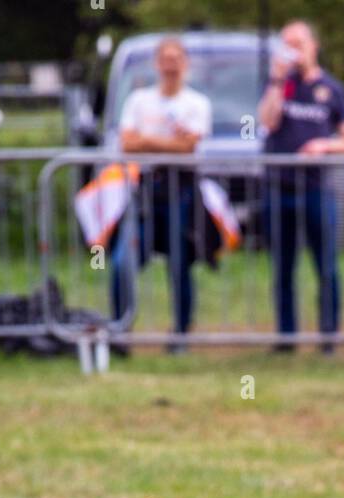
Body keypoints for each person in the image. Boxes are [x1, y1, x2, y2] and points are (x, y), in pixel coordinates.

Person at [258, 20, 344, 349]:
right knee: (283, 267)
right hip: (278, 188)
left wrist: (324, 146)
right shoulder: (279, 86)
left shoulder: (333, 89)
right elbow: (267, 121)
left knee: (326, 265)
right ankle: (286, 338)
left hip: (317, 189)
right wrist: (276, 79)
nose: (292, 50)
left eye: (298, 43)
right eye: (286, 44)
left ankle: (329, 336)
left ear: (314, 45)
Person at [108, 37, 211, 350]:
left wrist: (149, 141)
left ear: (185, 64)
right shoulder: (139, 100)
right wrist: (172, 144)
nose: (170, 64)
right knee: (122, 261)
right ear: (156, 64)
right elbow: (127, 144)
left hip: (183, 190)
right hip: (146, 191)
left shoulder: (197, 103)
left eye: (176, 58)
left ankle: (180, 334)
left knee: (180, 264)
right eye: (164, 58)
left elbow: (189, 147)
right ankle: (120, 332)